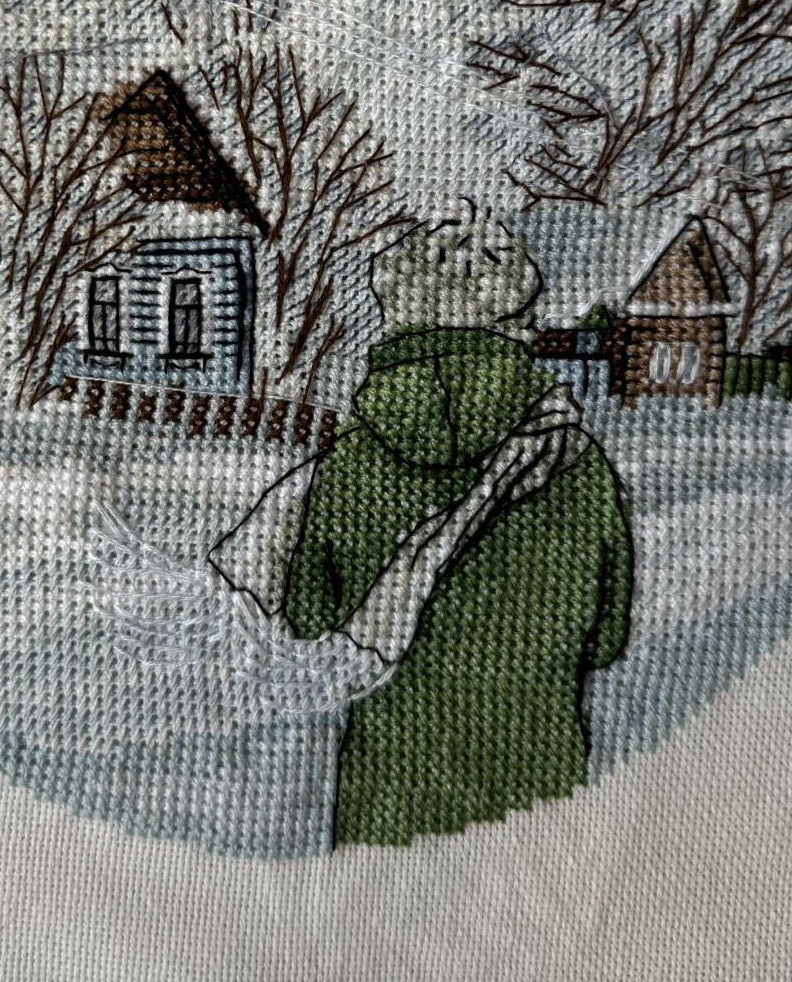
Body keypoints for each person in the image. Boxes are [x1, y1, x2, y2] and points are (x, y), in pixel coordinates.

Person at [212, 208, 635, 846]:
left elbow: (307, 622)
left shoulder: (350, 465)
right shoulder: (575, 462)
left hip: (389, 798)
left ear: (399, 314)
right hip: (544, 797)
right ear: (516, 321)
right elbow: (606, 640)